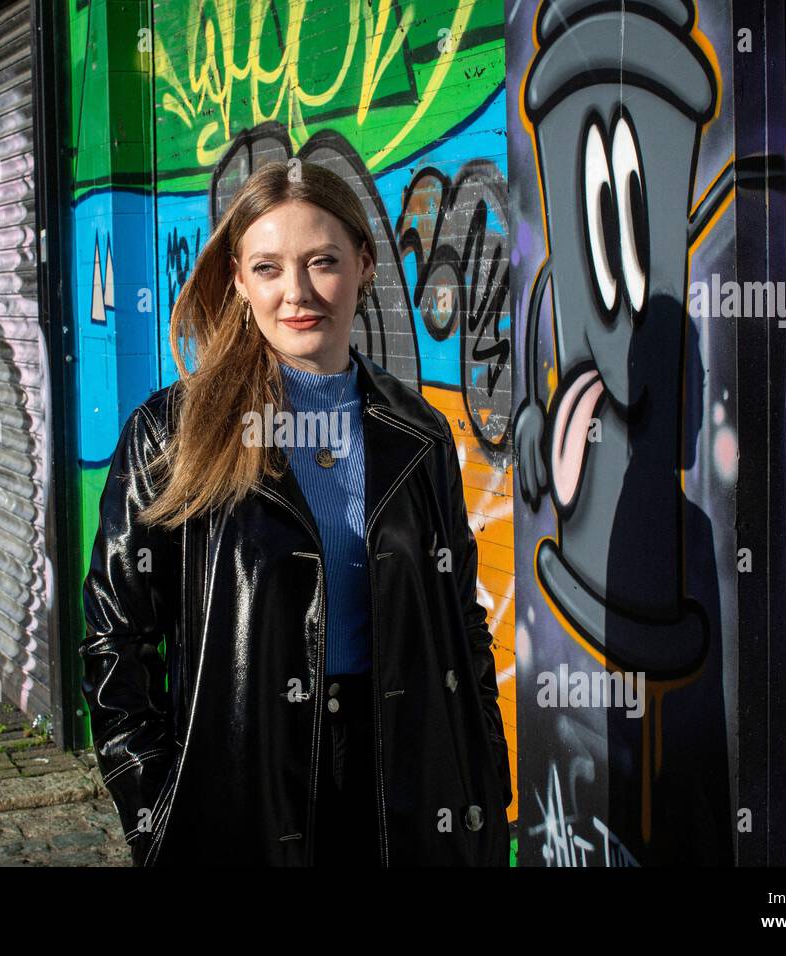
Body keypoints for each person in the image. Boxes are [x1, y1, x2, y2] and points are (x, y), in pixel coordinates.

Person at [80, 160, 513, 867]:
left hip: (404, 785)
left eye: (323, 262)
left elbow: (461, 624)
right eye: (269, 268)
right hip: (247, 790)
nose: (298, 293)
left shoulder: (419, 434)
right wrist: (156, 815)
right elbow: (115, 643)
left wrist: (485, 779)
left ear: (365, 265)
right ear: (240, 281)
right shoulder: (174, 434)